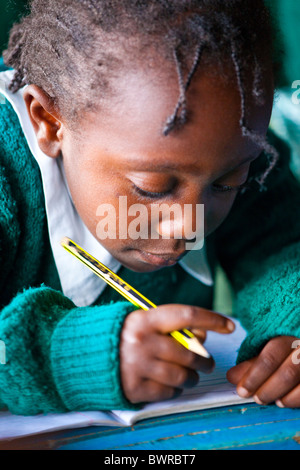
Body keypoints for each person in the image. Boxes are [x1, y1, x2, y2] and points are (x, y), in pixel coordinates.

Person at [0, 0, 299, 415]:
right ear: (49, 121)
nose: (187, 225)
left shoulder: (237, 143)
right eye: (154, 187)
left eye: (229, 184)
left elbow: (281, 246)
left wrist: (292, 319)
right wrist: (66, 357)